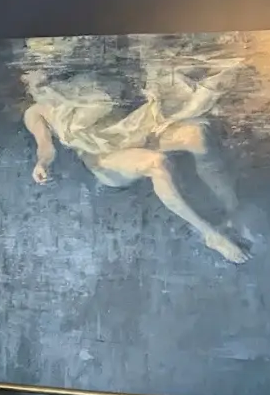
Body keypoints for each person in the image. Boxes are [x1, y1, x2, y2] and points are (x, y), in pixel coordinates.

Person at [20, 61, 251, 264]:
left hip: (131, 132)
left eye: (41, 71)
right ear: (25, 82)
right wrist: (42, 163)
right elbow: (45, 147)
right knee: (157, 163)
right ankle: (210, 234)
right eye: (31, 75)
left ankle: (232, 209)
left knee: (197, 136)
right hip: (105, 159)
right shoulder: (36, 112)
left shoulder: (78, 84)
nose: (40, 76)